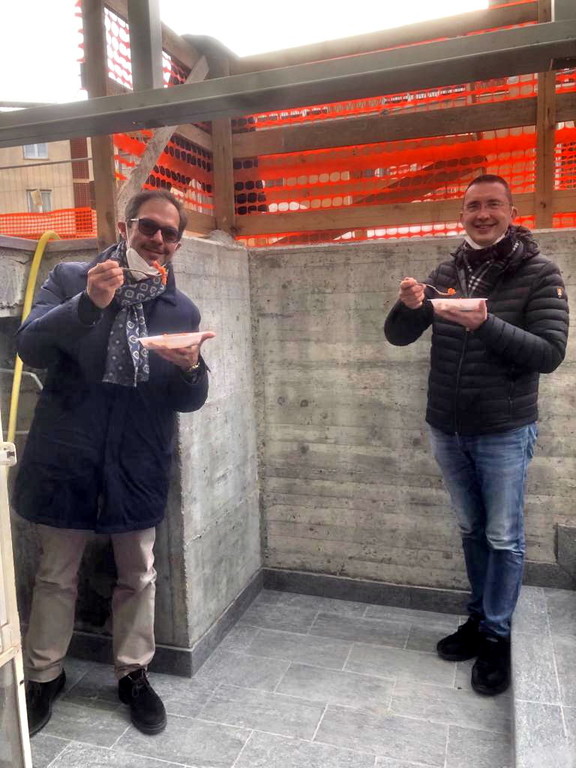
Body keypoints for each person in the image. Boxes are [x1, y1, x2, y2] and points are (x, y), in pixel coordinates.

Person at [13, 189, 213, 735]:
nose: (158, 239)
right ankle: (44, 675)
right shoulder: (71, 278)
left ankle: (133, 674)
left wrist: (192, 368)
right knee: (56, 574)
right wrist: (86, 305)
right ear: (125, 227)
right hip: (68, 455)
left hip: (137, 458)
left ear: (177, 244)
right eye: (149, 226)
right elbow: (29, 347)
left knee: (139, 573)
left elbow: (190, 399)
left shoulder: (179, 307)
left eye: (170, 233)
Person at [384, 174, 569, 695]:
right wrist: (409, 305)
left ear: (512, 212)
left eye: (492, 205)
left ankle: (497, 635)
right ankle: (478, 617)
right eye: (472, 207)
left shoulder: (539, 273)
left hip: (504, 429)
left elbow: (550, 353)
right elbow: (398, 336)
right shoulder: (447, 272)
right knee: (471, 529)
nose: (482, 214)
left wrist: (483, 323)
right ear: (461, 215)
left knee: (503, 536)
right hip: (447, 427)